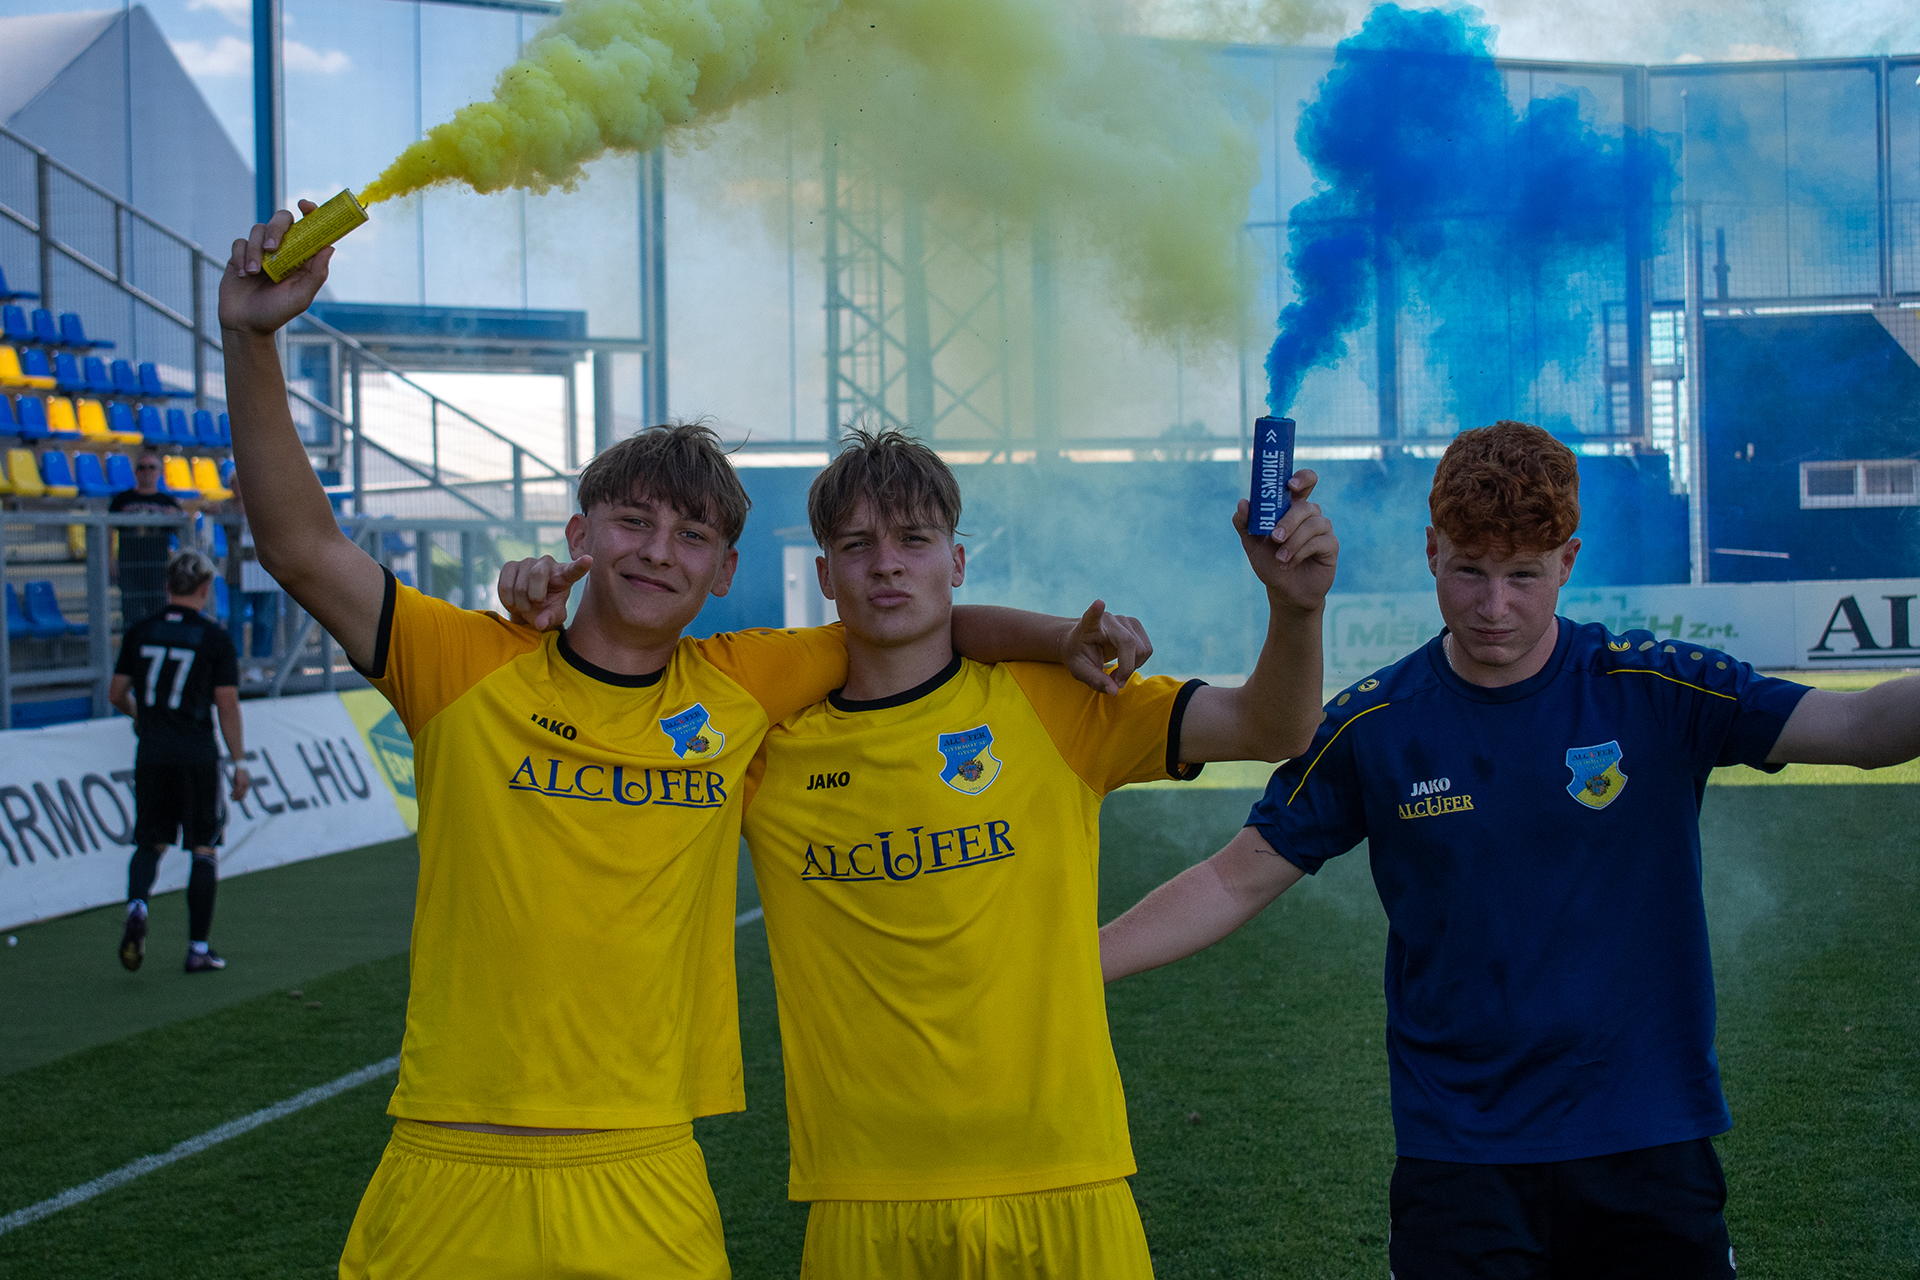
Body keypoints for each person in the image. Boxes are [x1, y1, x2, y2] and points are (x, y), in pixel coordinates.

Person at [220, 204, 1153, 1280]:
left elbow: (912, 619)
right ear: (579, 535)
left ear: (723, 572)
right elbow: (301, 548)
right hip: (447, 1156)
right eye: (632, 520)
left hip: (648, 1168)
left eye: (693, 534)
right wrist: (252, 339)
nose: (659, 550)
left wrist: (1058, 636)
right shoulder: (462, 663)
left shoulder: (742, 683)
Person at [500, 427, 1339, 1277]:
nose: (887, 566)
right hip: (862, 1198)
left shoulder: (1057, 700)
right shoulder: (763, 746)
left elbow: (1270, 727)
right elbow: (617, 706)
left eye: (914, 540)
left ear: (957, 563)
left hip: (1066, 1178)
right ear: (825, 576)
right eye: (856, 545)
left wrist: (1295, 610)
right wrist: (537, 614)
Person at [1099, 421, 1920, 1280]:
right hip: (1462, 1160)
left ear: (1567, 561)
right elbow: (1234, 879)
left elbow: (1860, 729)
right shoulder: (1375, 724)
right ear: (1431, 551)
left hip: (1648, 1142)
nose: (1494, 607)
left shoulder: (1654, 688)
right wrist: (1078, 962)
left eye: (1523, 575)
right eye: (1469, 571)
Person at [111, 550, 250, 974]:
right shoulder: (215, 638)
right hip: (196, 753)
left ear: (166, 585)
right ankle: (198, 948)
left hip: (152, 751)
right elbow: (227, 704)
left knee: (150, 842)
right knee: (203, 847)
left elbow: (116, 693)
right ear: (206, 589)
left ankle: (138, 906)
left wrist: (142, 717)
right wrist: (240, 762)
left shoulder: (140, 631)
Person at [109, 451, 185, 627]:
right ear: (136, 472)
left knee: (158, 616)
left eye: (151, 467)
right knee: (131, 617)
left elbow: (183, 533)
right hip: (129, 567)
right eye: (142, 467)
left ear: (159, 472)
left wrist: (176, 517)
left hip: (158, 568)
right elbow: (108, 532)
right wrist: (110, 560)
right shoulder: (122, 499)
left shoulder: (167, 501)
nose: (147, 471)